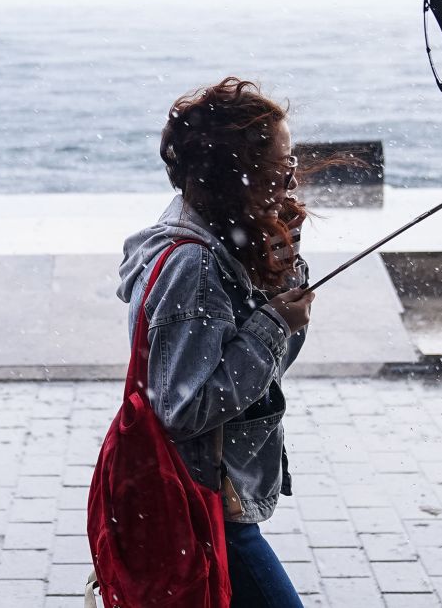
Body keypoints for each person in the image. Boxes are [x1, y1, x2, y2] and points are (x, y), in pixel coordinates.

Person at [116, 76, 314, 607]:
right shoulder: (194, 264)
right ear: (237, 173)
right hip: (201, 498)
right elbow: (185, 406)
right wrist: (272, 323)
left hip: (207, 495)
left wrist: (280, 280)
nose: (291, 177)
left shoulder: (216, 236)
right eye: (279, 166)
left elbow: (264, 373)